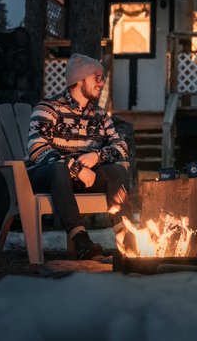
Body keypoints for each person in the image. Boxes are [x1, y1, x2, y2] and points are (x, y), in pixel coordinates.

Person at [27, 53, 130, 260]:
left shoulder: (99, 115)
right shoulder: (48, 108)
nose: (102, 83)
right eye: (97, 78)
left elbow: (121, 147)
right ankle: (80, 239)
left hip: (84, 178)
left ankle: (126, 238)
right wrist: (75, 168)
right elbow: (37, 149)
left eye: (103, 78)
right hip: (47, 176)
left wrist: (97, 156)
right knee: (59, 169)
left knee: (116, 171)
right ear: (79, 79)